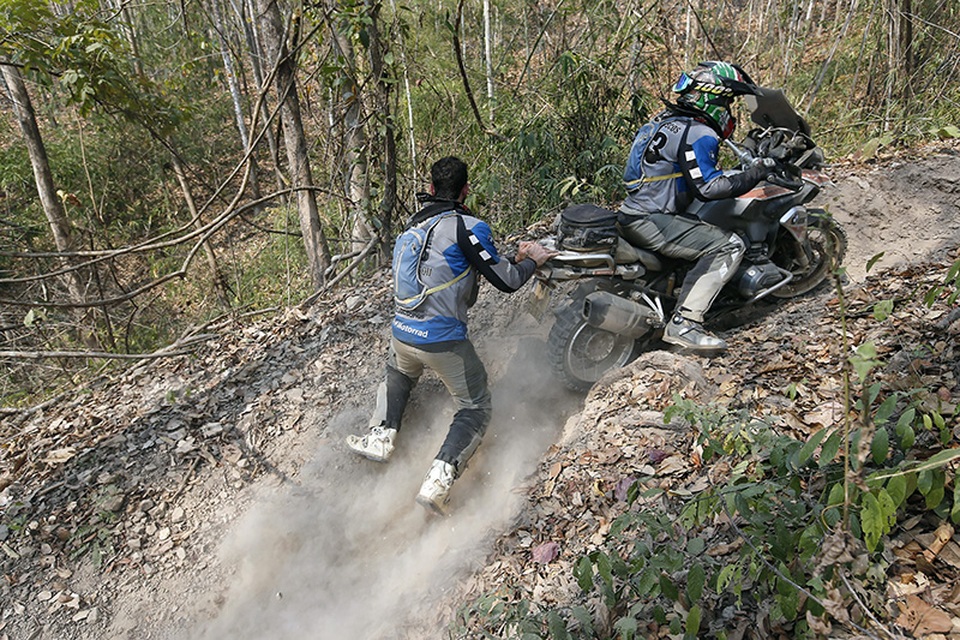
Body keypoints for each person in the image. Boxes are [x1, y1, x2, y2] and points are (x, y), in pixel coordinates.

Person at [345, 156, 556, 515]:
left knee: (399, 371)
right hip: (442, 342)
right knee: (475, 407)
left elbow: (451, 269)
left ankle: (381, 435)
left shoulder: (413, 227)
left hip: (401, 335)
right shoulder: (467, 226)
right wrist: (531, 260)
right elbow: (505, 281)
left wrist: (510, 257)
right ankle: (438, 482)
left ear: (430, 189)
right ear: (466, 190)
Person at [619, 61, 775, 352]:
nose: (729, 109)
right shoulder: (699, 132)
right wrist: (756, 173)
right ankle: (685, 324)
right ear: (711, 98)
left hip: (633, 211)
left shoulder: (662, 122)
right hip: (652, 220)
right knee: (728, 245)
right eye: (727, 101)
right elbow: (708, 187)